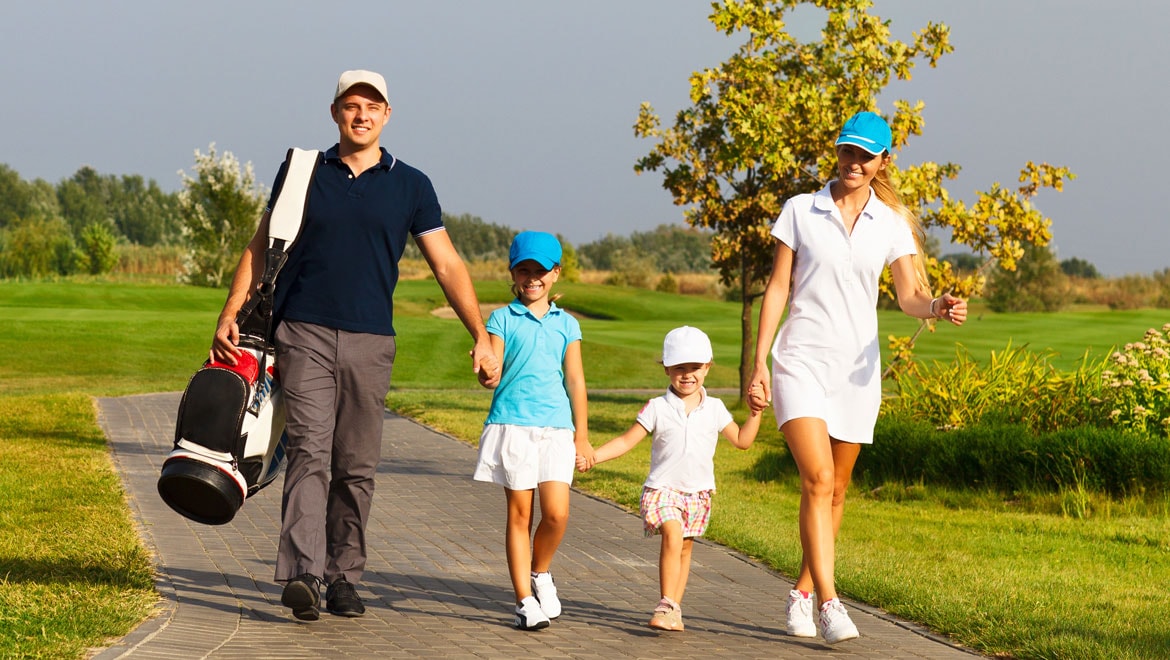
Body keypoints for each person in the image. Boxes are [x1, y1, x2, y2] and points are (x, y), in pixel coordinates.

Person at [211, 69, 499, 622]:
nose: (361, 114)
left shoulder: (411, 184)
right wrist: (230, 308)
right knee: (310, 454)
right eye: (351, 105)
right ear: (334, 112)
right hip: (303, 332)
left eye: (372, 106)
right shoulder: (301, 172)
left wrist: (481, 335)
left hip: (372, 339)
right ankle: (303, 575)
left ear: (387, 115)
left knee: (356, 465)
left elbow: (446, 263)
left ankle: (345, 576)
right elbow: (261, 241)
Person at [747, 111, 968, 644]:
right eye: (848, 151)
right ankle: (829, 602)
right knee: (817, 480)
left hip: (857, 372)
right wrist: (759, 361)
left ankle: (801, 591)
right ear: (838, 152)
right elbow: (778, 287)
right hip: (799, 361)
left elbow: (910, 295)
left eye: (866, 156)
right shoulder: (801, 209)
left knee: (838, 489)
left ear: (883, 161)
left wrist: (935, 306)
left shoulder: (891, 224)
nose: (854, 162)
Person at [577, 326, 762, 632]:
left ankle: (674, 609)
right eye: (679, 368)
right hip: (661, 491)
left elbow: (742, 440)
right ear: (666, 368)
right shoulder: (658, 407)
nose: (687, 374)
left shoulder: (715, 408)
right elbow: (626, 441)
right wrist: (595, 456)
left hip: (698, 494)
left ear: (708, 367)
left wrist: (755, 414)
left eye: (695, 367)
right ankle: (665, 603)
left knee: (685, 549)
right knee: (673, 536)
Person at [472, 231, 593, 631]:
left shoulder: (568, 324)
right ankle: (524, 600)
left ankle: (541, 572)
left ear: (556, 274)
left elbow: (575, 380)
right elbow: (494, 369)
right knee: (520, 514)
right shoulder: (501, 318)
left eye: (541, 270)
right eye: (524, 269)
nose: (532, 277)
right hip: (513, 424)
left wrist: (582, 435)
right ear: (513, 272)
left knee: (557, 514)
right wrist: (487, 374)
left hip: (557, 428)